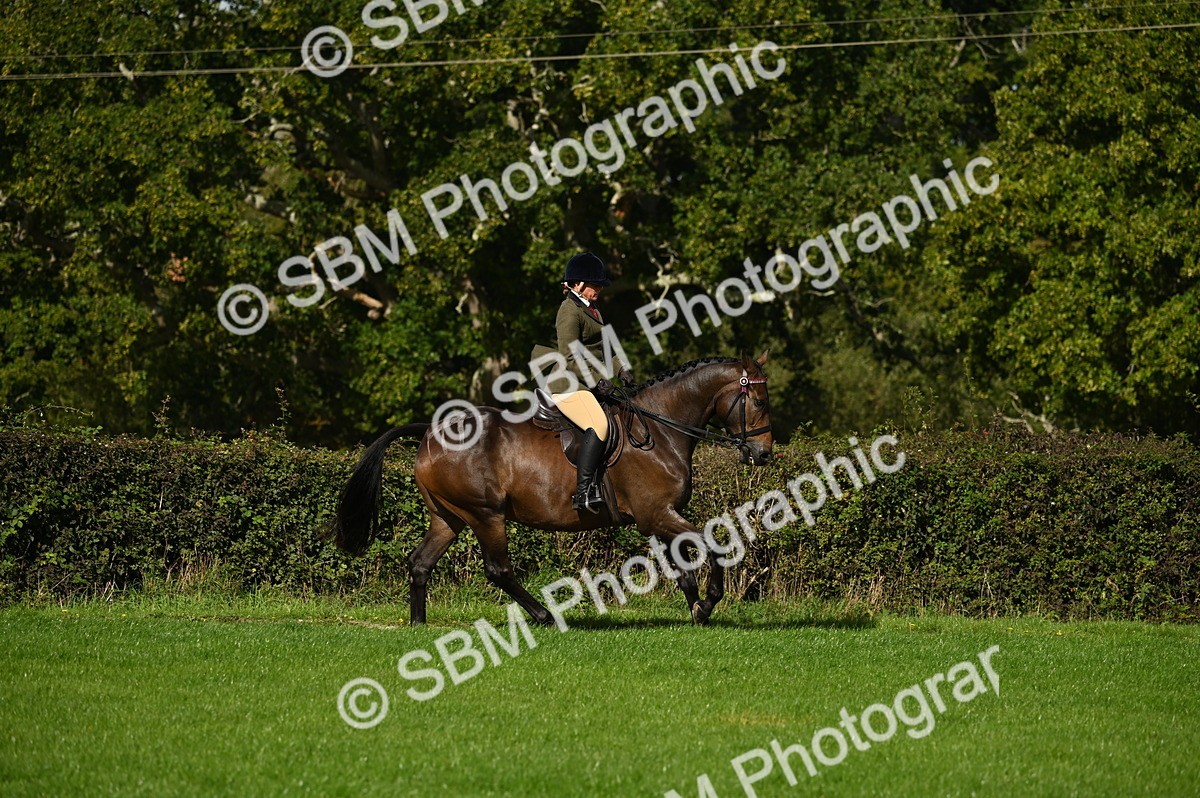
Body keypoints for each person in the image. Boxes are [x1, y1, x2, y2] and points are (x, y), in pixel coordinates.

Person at [530, 252, 633, 514]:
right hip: (568, 384)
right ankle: (583, 492)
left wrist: (622, 369)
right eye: (594, 285)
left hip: (588, 382)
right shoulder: (568, 311)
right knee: (598, 424)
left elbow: (607, 345)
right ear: (577, 285)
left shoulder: (592, 309)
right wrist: (599, 381)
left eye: (599, 285)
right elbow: (569, 356)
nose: (599, 289)